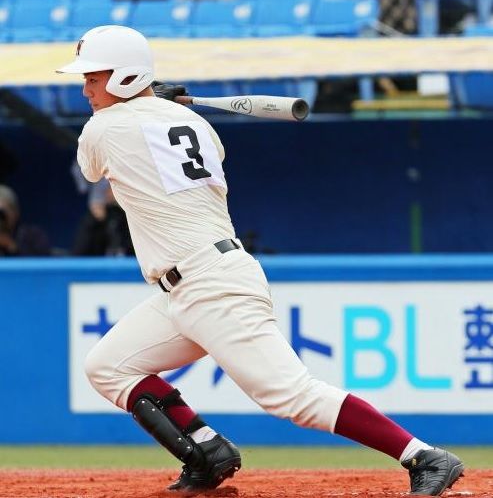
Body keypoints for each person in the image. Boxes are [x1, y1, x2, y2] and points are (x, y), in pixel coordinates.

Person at [56, 25, 464, 496]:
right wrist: (158, 108)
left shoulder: (104, 128)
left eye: (94, 78)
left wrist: (148, 108)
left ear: (126, 77)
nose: (86, 90)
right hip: (185, 287)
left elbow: (91, 168)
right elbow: (181, 149)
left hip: (212, 284)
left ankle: (423, 456)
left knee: (291, 396)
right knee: (108, 366)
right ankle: (207, 452)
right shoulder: (194, 123)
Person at [0, 185, 51, 257]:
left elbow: (43, 260)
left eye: (2, 213)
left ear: (16, 212)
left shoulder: (32, 236)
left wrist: (12, 247)